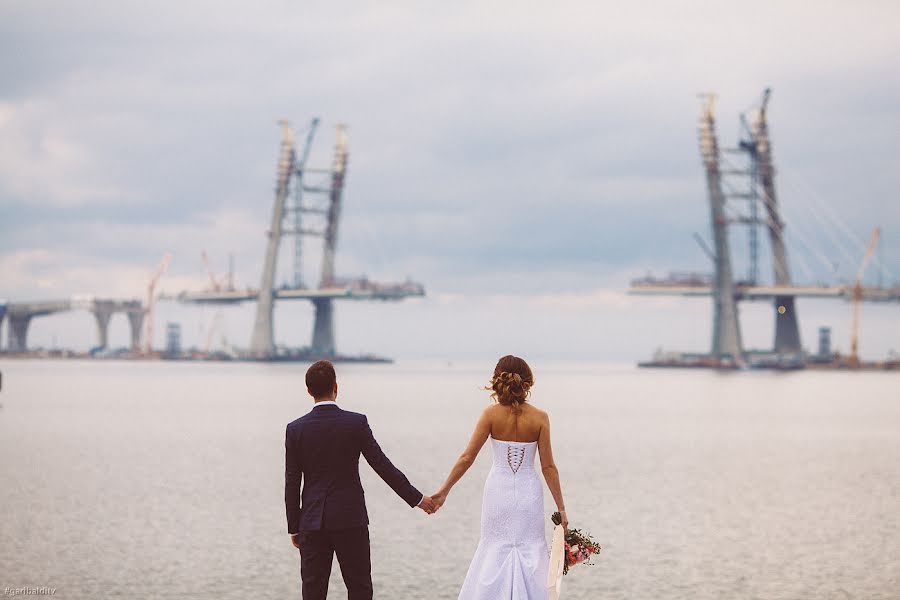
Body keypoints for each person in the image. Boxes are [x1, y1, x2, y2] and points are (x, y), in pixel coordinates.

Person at [285, 360, 437, 600]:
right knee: (360, 589)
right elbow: (381, 465)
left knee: (313, 593)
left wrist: (294, 526)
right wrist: (418, 499)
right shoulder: (355, 423)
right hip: (350, 519)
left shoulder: (295, 429)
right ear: (336, 387)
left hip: (312, 522)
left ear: (308, 391)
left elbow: (292, 483)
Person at [431, 355, 567, 600]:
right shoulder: (540, 418)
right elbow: (548, 467)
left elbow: (466, 458)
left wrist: (444, 491)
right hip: (528, 493)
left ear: (498, 380)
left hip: (498, 490)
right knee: (531, 549)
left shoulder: (490, 415)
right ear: (528, 383)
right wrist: (562, 510)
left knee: (494, 548)